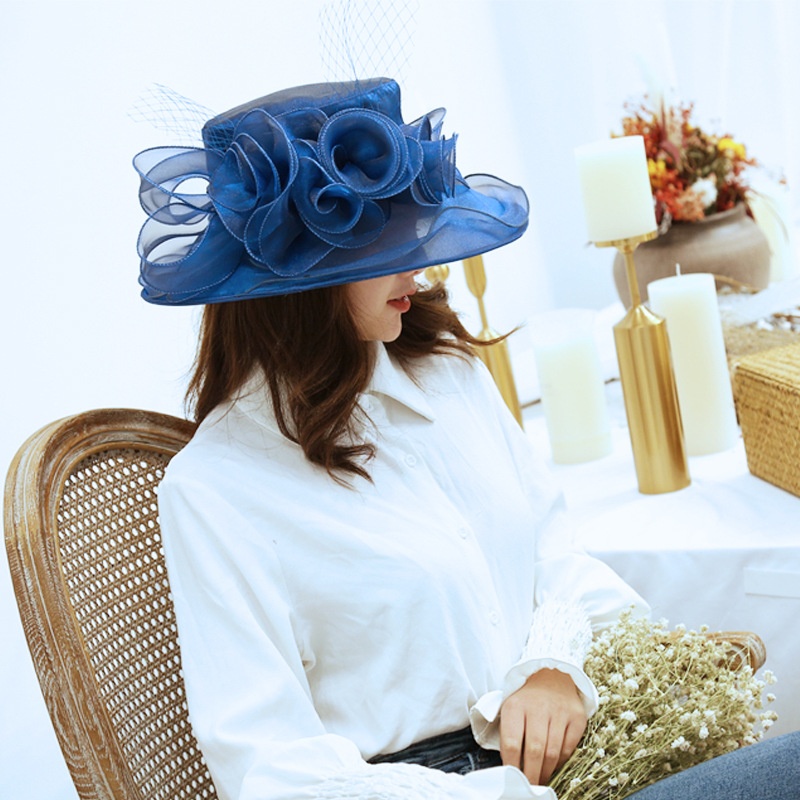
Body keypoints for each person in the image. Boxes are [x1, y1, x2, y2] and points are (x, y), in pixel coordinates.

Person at [134, 78, 800, 800]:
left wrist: (552, 667)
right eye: (385, 242)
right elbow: (269, 771)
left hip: (587, 751)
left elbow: (553, 556)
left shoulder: (447, 376)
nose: (419, 267)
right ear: (302, 282)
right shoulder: (217, 488)